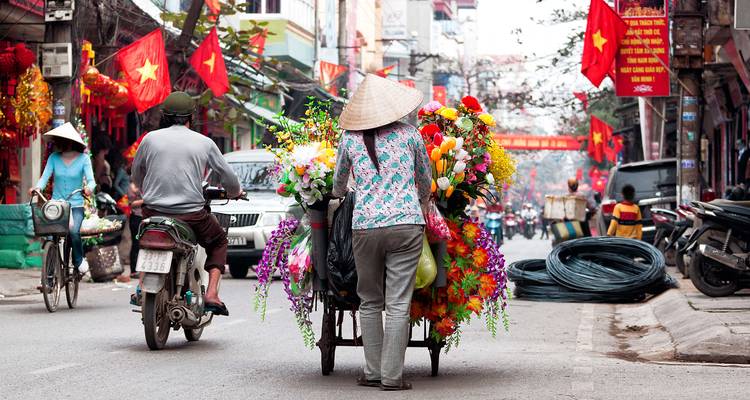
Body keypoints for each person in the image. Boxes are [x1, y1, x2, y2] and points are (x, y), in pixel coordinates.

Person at [332, 74, 430, 391]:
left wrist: (345, 191)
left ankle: (373, 372)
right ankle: (392, 377)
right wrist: (423, 203)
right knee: (398, 303)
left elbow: (338, 184)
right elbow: (424, 180)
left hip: (364, 226)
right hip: (406, 224)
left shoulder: (349, 139)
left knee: (370, 300)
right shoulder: (410, 135)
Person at [131, 91, 242, 316]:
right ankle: (211, 293)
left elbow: (137, 175)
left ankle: (141, 285)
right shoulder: (204, 142)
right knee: (219, 240)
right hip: (191, 215)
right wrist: (235, 192)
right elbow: (229, 179)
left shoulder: (150, 139)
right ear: (191, 117)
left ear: (165, 116)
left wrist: (149, 192)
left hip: (153, 211)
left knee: (144, 238)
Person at [29, 123, 96, 276]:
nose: (61, 143)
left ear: (72, 141)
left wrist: (89, 188)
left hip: (75, 206)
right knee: (50, 235)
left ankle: (78, 260)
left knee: (73, 231)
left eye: (64, 140)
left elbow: (91, 181)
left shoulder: (83, 159)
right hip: (56, 206)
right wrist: (37, 188)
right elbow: (44, 177)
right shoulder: (54, 158)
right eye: (59, 140)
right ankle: (50, 274)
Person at [127, 182, 143, 278]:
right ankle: (134, 270)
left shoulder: (149, 182)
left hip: (147, 216)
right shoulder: (133, 186)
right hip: (137, 217)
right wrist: (145, 201)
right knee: (136, 243)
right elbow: (131, 204)